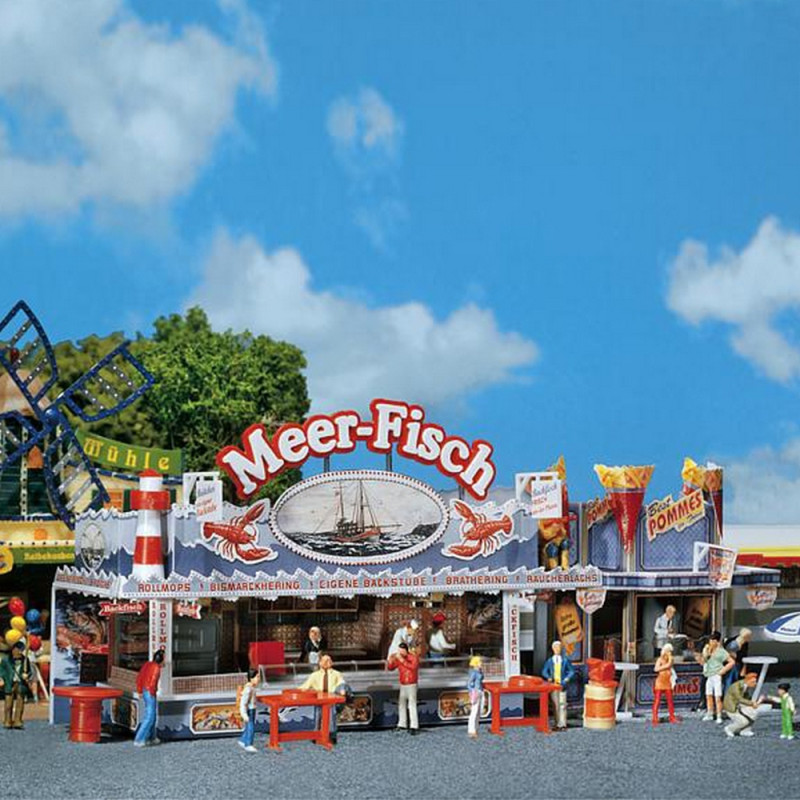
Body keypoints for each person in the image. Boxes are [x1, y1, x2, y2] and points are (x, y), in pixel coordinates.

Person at [299, 654, 345, 743]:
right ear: (320, 663)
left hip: (331, 699)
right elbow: (305, 686)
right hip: (319, 699)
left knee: (331, 717)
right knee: (318, 716)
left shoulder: (336, 674)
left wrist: (342, 689)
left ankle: (332, 735)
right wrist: (295, 692)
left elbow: (341, 683)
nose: (326, 663)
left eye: (328, 660)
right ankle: (316, 735)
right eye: (324, 661)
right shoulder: (314, 675)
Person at [696, 631, 735, 724]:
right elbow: (703, 662)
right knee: (708, 695)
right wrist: (704, 654)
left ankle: (719, 715)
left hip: (716, 675)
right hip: (709, 675)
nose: (710, 642)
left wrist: (723, 670)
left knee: (717, 696)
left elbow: (731, 662)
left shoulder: (721, 651)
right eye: (710, 640)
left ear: (717, 641)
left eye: (712, 640)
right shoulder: (708, 650)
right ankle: (710, 713)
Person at [541, 640, 576, 730]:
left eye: (559, 648)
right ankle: (557, 723)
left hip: (562, 685)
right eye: (556, 647)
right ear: (553, 649)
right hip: (553, 686)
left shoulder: (565, 661)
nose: (558, 649)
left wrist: (567, 678)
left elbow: (571, 671)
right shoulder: (550, 661)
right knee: (555, 704)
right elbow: (544, 671)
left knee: (563, 704)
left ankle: (563, 724)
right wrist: (548, 677)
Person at [387, 642, 420, 735]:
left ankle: (414, 725)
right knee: (401, 704)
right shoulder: (399, 658)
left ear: (406, 650)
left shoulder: (413, 657)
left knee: (412, 704)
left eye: (402, 650)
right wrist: (390, 661)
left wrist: (401, 660)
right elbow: (391, 668)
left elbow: (412, 667)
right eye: (399, 650)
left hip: (412, 684)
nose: (400, 652)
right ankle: (402, 723)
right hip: (403, 684)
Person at [134, 648, 165, 746]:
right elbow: (153, 682)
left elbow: (140, 677)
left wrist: (139, 690)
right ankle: (139, 739)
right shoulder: (156, 668)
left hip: (145, 690)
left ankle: (152, 737)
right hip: (150, 692)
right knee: (150, 716)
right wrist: (152, 692)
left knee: (153, 716)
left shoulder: (148, 664)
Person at [0, 642, 32, 730]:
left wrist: (27, 675)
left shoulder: (26, 660)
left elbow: (29, 671)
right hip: (10, 683)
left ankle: (18, 720)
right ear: (13, 650)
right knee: (8, 704)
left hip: (20, 684)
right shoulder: (6, 660)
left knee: (20, 704)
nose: (19, 652)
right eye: (18, 650)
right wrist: (1, 679)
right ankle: (7, 720)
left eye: (21, 650)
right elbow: (1, 670)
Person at [724, 672, 764, 738]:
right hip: (732, 708)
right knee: (744, 721)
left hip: (740, 706)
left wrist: (754, 702)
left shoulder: (745, 686)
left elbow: (747, 697)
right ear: (748, 680)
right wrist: (752, 703)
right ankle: (730, 728)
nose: (755, 684)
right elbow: (739, 699)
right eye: (753, 682)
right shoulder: (736, 687)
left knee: (753, 713)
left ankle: (745, 730)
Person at [652, 643, 679, 725]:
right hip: (660, 682)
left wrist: (667, 662)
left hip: (667, 682)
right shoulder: (659, 660)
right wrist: (664, 667)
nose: (669, 653)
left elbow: (669, 664)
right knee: (657, 700)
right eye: (668, 651)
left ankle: (672, 717)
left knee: (670, 700)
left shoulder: (671, 659)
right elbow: (656, 669)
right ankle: (654, 717)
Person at [238, 669, 260, 753]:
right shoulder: (248, 689)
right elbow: (243, 703)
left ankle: (243, 740)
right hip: (249, 710)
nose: (258, 679)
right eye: (257, 677)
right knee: (251, 727)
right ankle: (248, 744)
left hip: (252, 709)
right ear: (251, 678)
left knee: (248, 726)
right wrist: (244, 714)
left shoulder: (252, 687)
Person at [466, 656, 484, 739]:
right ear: (476, 663)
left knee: (478, 711)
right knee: (474, 711)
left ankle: (476, 728)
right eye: (480, 662)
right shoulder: (473, 672)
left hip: (480, 691)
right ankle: (471, 730)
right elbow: (469, 684)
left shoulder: (479, 671)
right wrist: (473, 692)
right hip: (476, 692)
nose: (481, 663)